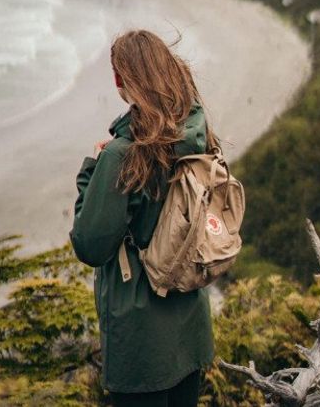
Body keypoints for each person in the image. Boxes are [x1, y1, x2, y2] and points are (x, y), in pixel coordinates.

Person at [69, 29, 216, 406]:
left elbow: (90, 244)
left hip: (141, 338)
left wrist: (93, 171)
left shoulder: (122, 154)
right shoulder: (194, 131)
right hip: (190, 322)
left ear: (122, 80)